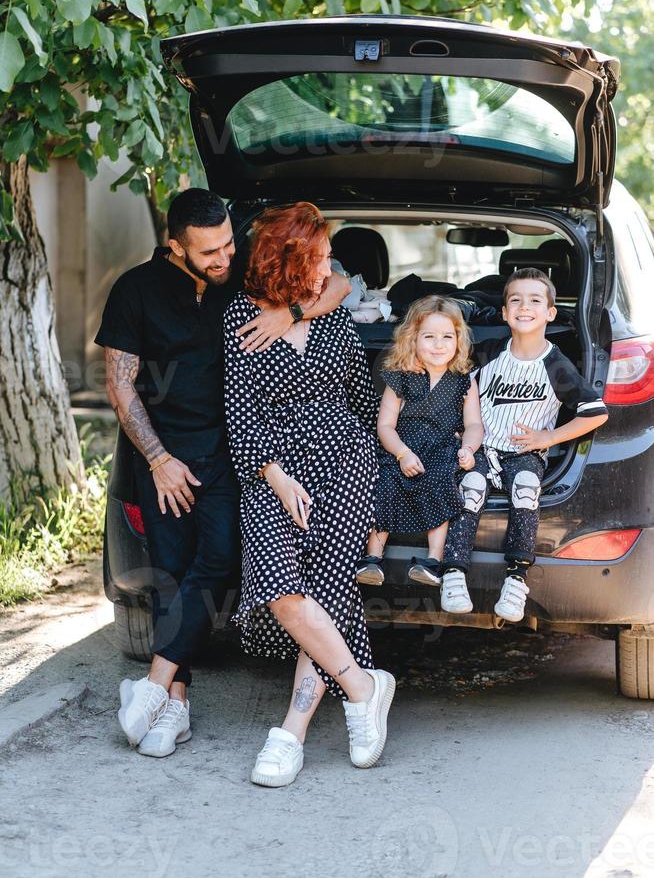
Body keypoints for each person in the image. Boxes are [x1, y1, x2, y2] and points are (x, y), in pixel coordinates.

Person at [95, 188, 351, 758]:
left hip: (231, 445)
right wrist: (159, 460)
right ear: (175, 246)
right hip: (162, 453)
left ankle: (153, 685)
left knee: (217, 557)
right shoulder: (133, 291)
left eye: (229, 242)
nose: (224, 257)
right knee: (169, 572)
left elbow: (339, 283)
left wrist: (290, 312)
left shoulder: (235, 276)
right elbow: (120, 384)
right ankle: (175, 704)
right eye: (209, 251)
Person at [223, 202, 395, 788]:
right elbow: (240, 412)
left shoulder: (329, 315)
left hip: (344, 460)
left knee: (328, 590)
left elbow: (357, 394)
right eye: (319, 257)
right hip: (271, 466)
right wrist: (276, 475)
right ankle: (363, 687)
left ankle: (291, 733)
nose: (328, 268)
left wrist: (391, 454)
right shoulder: (239, 321)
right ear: (287, 260)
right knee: (278, 588)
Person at [440, 267, 609, 621]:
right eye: (515, 300)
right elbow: (455, 388)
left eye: (534, 300)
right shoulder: (488, 352)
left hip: (524, 453)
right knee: (470, 487)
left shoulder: (556, 364)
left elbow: (595, 413)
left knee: (527, 488)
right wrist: (458, 430)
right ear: (503, 313)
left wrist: (548, 437)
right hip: (484, 448)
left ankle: (516, 581)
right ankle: (453, 574)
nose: (523, 306)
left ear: (550, 312)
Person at [355, 296, 484, 590]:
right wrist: (401, 453)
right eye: (429, 337)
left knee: (441, 482)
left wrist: (469, 448)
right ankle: (373, 558)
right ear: (412, 339)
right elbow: (385, 426)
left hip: (441, 450)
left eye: (447, 337)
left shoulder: (464, 380)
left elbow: (474, 425)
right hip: (402, 448)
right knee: (384, 483)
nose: (439, 345)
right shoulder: (400, 378)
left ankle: (434, 560)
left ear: (458, 340)